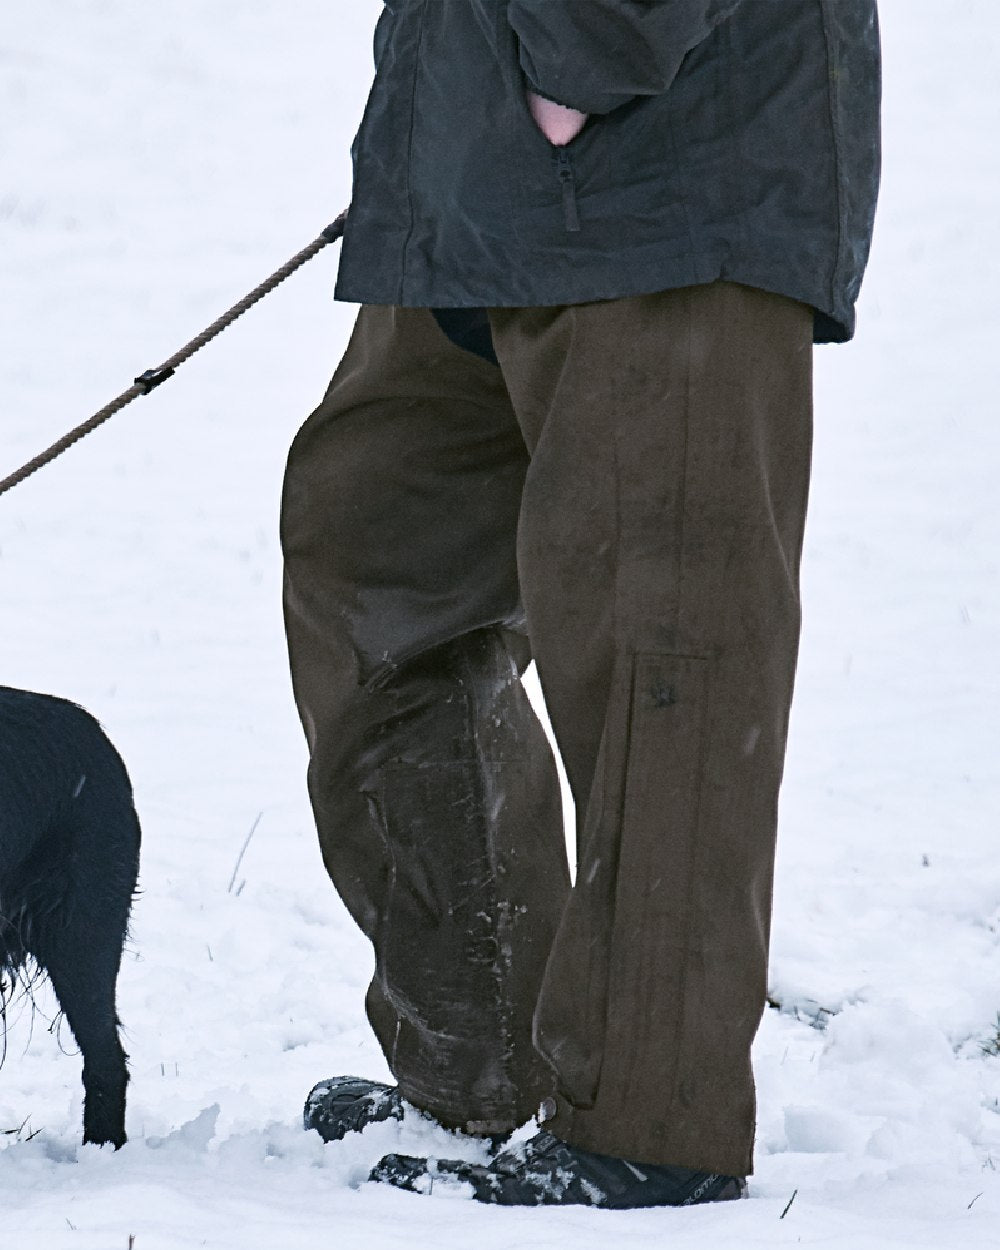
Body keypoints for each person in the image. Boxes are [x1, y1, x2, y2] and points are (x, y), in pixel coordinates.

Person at [280, 0, 880, 1210]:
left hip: (663, 166)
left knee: (666, 644)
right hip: (483, 173)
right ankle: (485, 1060)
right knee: (376, 561)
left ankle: (649, 1118)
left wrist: (583, 58)